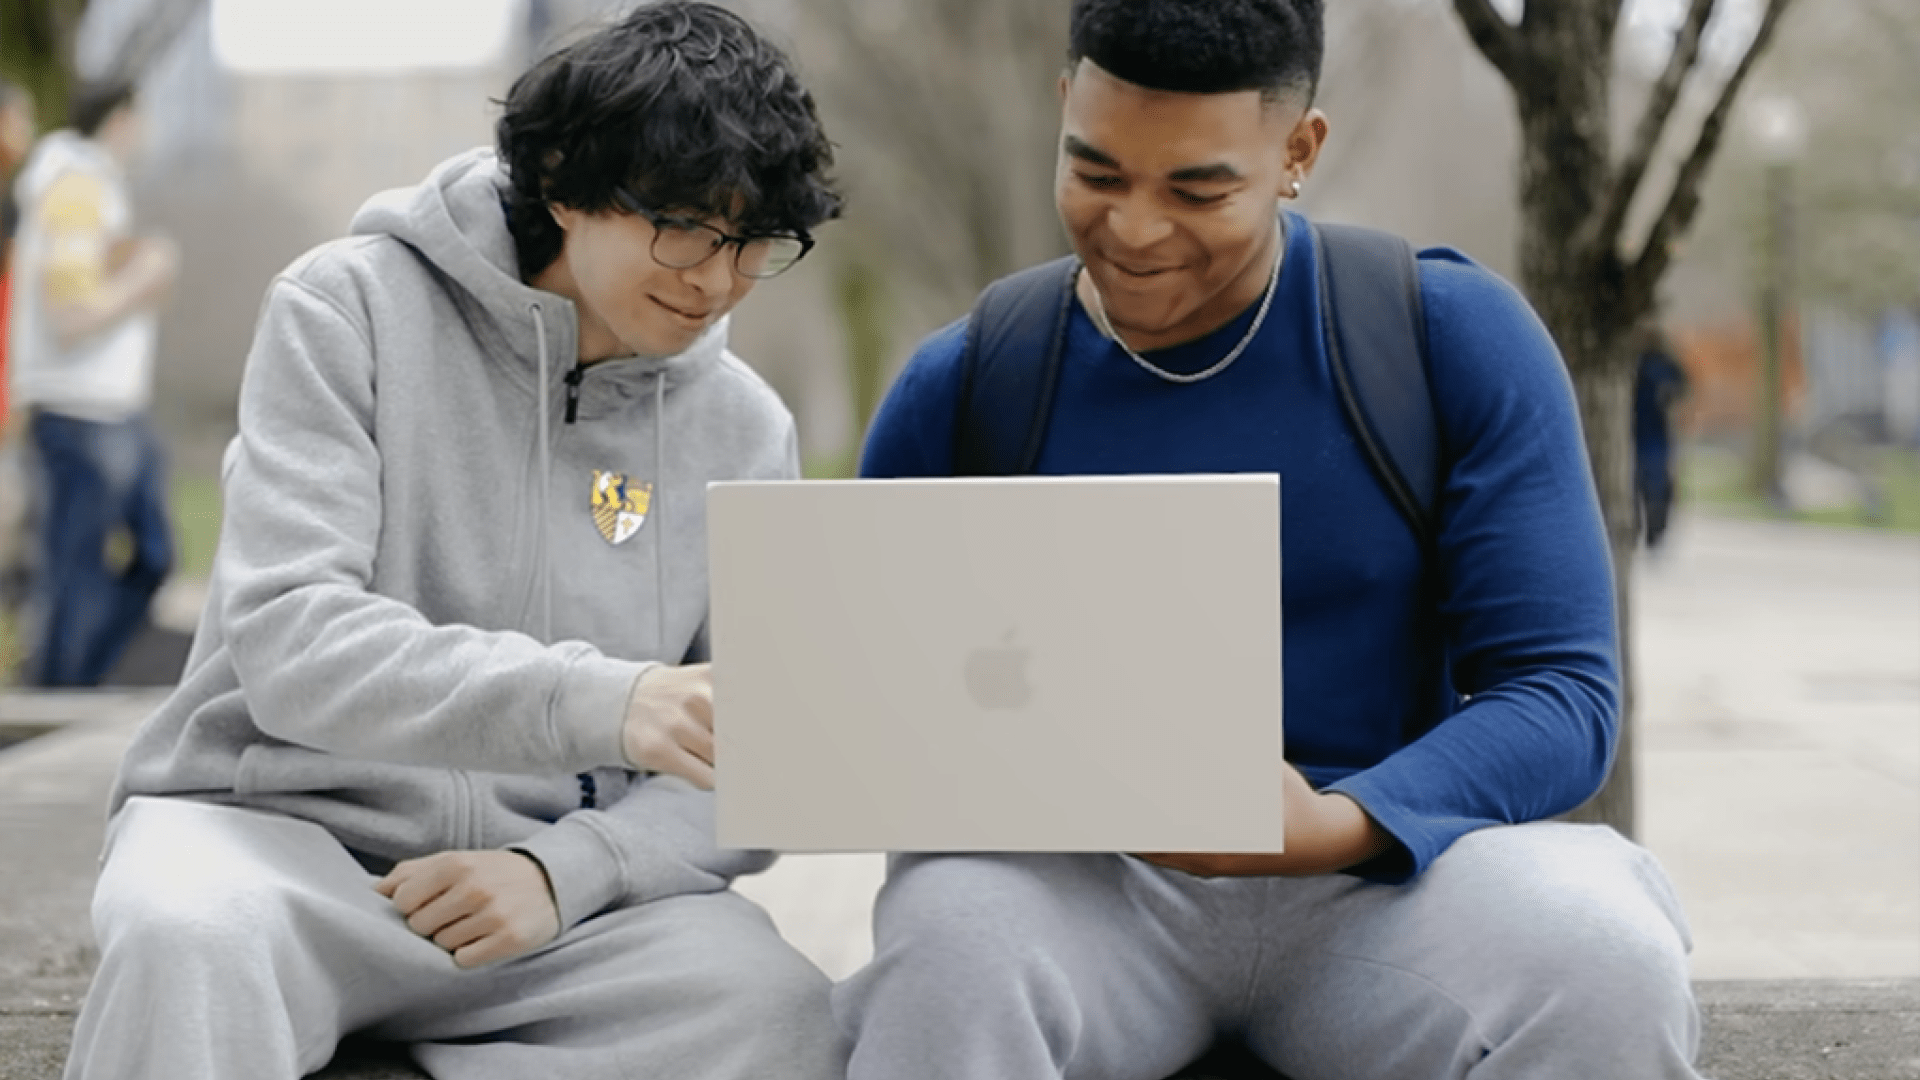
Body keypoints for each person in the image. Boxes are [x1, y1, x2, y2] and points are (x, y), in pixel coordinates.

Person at [833, 2, 1702, 1079]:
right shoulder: (967, 382)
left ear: (1299, 151)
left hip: (1388, 885)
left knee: (1607, 952)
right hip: (1078, 898)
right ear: (1065, 110)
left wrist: (1333, 823)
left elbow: (1564, 694)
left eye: (1198, 189)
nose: (1135, 231)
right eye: (1096, 175)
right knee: (948, 949)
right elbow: (869, 719)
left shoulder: (1447, 337)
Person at [65, 5, 847, 1078]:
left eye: (755, 242)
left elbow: (760, 753)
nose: (716, 280)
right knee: (189, 939)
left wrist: (566, 870)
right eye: (684, 227)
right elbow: (294, 642)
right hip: (280, 845)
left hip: (552, 904)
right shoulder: (345, 310)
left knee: (784, 1014)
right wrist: (610, 701)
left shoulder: (745, 424)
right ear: (568, 184)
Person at [7, 78, 176, 687]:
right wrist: (147, 278)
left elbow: (79, 272)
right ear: (121, 119)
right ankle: (59, 691)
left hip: (110, 405)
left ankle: (75, 680)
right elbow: (69, 315)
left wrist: (132, 257)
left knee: (148, 556)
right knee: (77, 569)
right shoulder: (76, 186)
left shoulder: (89, 184)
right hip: (81, 409)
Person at [1634, 324, 1690, 548]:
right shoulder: (1638, 363)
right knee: (1649, 482)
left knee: (1655, 483)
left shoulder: (1662, 364)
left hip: (1654, 431)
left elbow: (1682, 388)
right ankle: (1650, 530)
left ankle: (1655, 531)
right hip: (1643, 431)